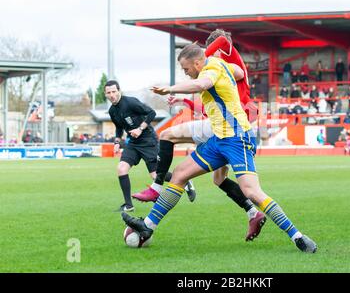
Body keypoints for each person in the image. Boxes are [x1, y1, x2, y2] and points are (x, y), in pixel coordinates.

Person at [122, 43, 317, 253]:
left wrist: (171, 88)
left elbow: (202, 84)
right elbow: (239, 71)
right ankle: (147, 227)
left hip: (237, 138)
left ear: (198, 63)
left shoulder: (211, 70)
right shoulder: (219, 64)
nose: (187, 75)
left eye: (187, 70)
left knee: (251, 191)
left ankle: (297, 237)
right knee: (179, 174)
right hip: (218, 138)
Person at [132, 30, 266, 241]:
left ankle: (157, 187)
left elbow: (231, 61)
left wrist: (202, 54)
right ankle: (253, 213)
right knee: (219, 179)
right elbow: (208, 103)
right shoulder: (218, 71)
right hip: (226, 125)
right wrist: (182, 101)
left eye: (211, 53)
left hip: (230, 127)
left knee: (167, 135)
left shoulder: (227, 60)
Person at [106, 80, 175, 212]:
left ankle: (184, 180)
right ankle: (128, 205)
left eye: (114, 91)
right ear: (106, 94)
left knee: (155, 175)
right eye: (109, 92)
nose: (112, 95)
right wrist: (116, 142)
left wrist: (139, 129)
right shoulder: (112, 111)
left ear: (119, 91)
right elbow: (119, 128)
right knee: (121, 168)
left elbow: (151, 113)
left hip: (148, 140)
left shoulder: (130, 102)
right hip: (133, 143)